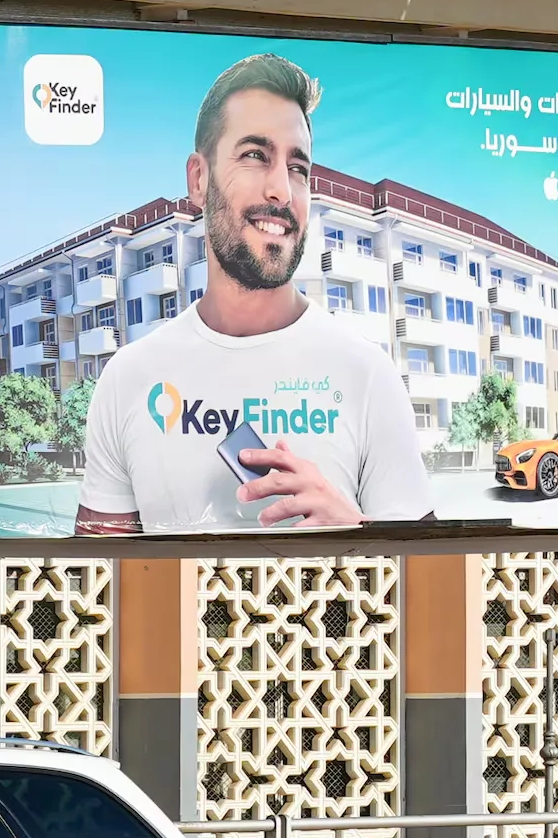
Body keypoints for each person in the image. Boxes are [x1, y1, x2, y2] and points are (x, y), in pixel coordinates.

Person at [77, 52, 431, 534]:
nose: (282, 189)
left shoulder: (368, 375)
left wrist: (356, 529)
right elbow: (98, 574)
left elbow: (427, 573)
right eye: (255, 156)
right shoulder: (127, 379)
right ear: (198, 179)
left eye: (298, 167)